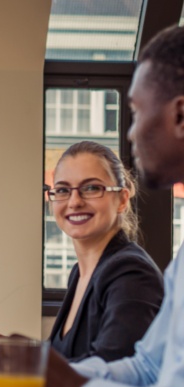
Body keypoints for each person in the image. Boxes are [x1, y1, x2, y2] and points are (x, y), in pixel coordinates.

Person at [45, 25, 184, 387]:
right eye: (62, 190)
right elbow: (147, 366)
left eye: (137, 113)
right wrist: (40, 368)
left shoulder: (129, 271)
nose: (131, 134)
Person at [47, 141, 163, 362]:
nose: (74, 202)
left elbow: (112, 366)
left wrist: (25, 364)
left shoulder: (131, 273)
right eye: (62, 190)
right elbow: (62, 359)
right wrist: (9, 351)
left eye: (91, 188)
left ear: (122, 200)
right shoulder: (79, 273)